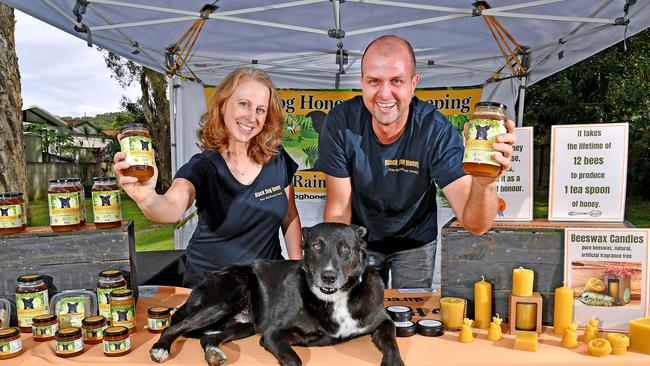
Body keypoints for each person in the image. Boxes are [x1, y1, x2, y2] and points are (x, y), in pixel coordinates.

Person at [317, 35, 516, 289]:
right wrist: (335, 265)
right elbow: (338, 208)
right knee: (355, 318)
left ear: (413, 84)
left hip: (415, 242)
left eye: (396, 81)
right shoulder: (341, 123)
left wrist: (486, 182)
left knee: (410, 320)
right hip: (359, 240)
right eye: (374, 81)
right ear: (362, 83)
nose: (384, 93)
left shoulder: (435, 130)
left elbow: (476, 225)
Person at [114, 67, 302, 288]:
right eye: (244, 104)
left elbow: (289, 216)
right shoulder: (203, 167)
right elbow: (172, 207)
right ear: (223, 106)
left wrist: (298, 272)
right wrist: (146, 197)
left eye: (260, 109)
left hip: (266, 285)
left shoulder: (277, 159)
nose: (252, 117)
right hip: (212, 289)